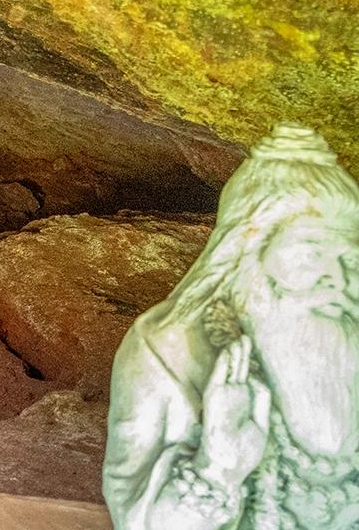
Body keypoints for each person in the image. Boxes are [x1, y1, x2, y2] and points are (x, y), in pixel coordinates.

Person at [105, 122, 359, 529]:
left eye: (348, 258)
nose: (338, 279)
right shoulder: (167, 351)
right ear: (250, 248)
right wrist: (219, 466)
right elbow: (140, 521)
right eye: (312, 254)